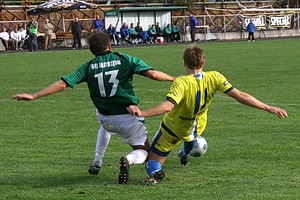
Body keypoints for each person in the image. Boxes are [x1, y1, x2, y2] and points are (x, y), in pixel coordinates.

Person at [12, 31, 175, 185]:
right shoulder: (124, 59)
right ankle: (128, 159)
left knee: (105, 125)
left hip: (105, 117)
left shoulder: (88, 66)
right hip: (128, 116)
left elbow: (62, 84)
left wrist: (34, 95)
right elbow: (153, 74)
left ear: (92, 50)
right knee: (144, 150)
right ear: (109, 46)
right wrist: (174, 78)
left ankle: (97, 161)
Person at [127, 46, 288, 186]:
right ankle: (184, 153)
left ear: (184, 63)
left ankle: (155, 175)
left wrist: (142, 113)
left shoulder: (181, 82)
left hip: (173, 128)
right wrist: (268, 107)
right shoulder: (215, 77)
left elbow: (168, 106)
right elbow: (240, 96)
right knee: (190, 137)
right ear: (203, 62)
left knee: (152, 161)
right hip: (198, 125)